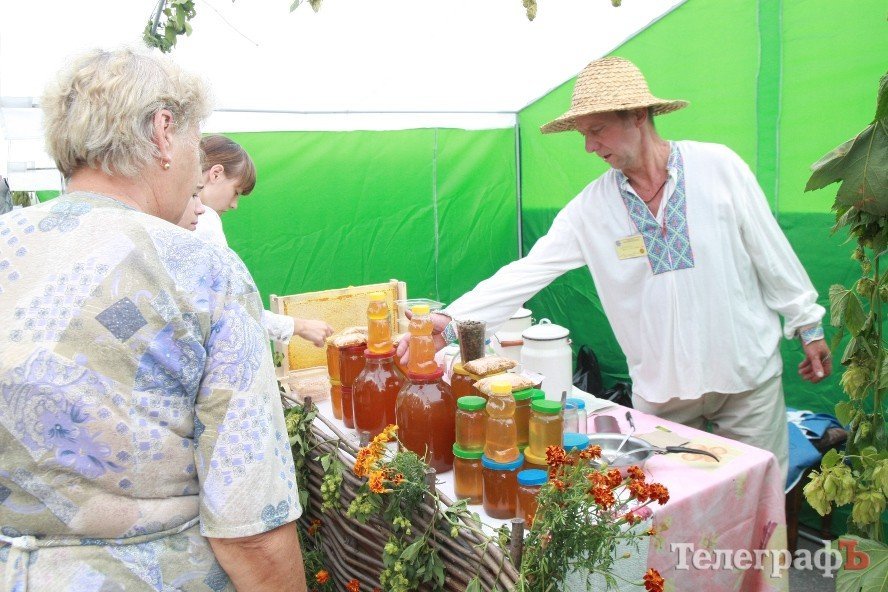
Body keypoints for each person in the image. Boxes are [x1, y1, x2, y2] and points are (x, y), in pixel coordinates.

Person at [399, 56, 831, 478]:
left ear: (638, 115)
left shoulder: (718, 167)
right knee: (670, 514)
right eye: (584, 134)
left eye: (597, 130)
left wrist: (806, 324)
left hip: (745, 378)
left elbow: (768, 249)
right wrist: (449, 320)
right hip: (663, 392)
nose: (589, 146)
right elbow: (529, 270)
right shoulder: (592, 209)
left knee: (758, 502)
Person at [0, 48, 307, 591]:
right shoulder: (204, 272)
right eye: (195, 140)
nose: (195, 164)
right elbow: (249, 528)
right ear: (164, 133)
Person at [192, 134, 333, 348]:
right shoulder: (205, 219)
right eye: (236, 192)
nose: (234, 205)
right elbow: (232, 307)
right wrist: (300, 326)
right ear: (216, 173)